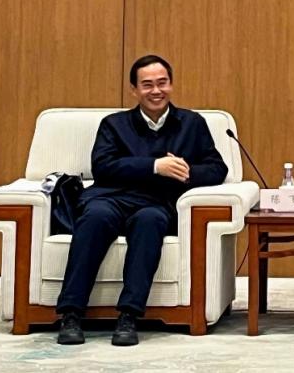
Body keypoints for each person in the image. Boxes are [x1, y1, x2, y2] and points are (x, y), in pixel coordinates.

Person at [55, 54, 228, 346]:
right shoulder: (114, 124)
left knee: (150, 222)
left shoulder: (192, 123)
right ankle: (71, 313)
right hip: (111, 198)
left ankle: (129, 316)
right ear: (134, 90)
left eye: (162, 83)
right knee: (94, 218)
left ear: (171, 84)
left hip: (156, 202)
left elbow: (217, 168)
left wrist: (187, 171)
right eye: (147, 85)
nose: (156, 91)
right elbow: (103, 167)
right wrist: (154, 166)